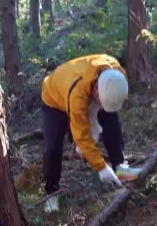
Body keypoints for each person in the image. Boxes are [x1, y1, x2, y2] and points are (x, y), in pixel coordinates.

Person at [40, 54, 141, 212]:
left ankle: (120, 167)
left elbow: (113, 98)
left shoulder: (116, 76)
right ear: (95, 91)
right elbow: (82, 134)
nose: (99, 104)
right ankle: (51, 192)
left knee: (110, 118)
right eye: (99, 100)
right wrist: (100, 166)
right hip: (54, 99)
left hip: (86, 88)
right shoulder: (77, 94)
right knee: (53, 146)